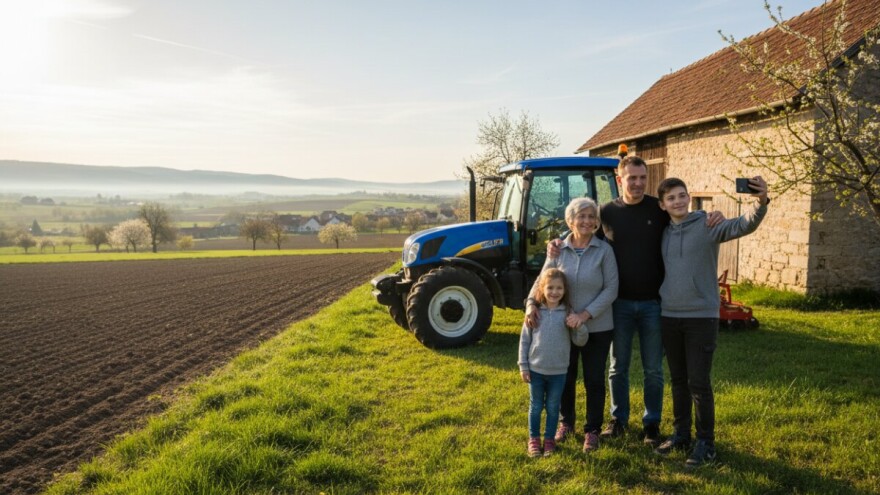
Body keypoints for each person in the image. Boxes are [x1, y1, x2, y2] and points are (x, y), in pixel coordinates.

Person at [547, 155, 724, 447]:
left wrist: (711, 215)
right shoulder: (606, 213)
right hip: (619, 304)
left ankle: (651, 424)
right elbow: (583, 229)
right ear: (620, 180)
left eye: (643, 177)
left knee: (653, 368)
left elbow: (685, 217)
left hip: (656, 304)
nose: (638, 183)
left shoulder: (659, 208)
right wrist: (559, 240)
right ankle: (618, 420)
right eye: (632, 178)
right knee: (618, 366)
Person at [653, 176, 769, 467]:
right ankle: (681, 435)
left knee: (699, 383)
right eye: (671, 198)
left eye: (682, 195)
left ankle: (706, 443)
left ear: (689, 197)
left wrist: (761, 201)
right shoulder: (662, 232)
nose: (678, 201)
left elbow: (744, 224)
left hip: (701, 317)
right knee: (678, 381)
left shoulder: (709, 226)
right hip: (669, 316)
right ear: (662, 205)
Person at [525, 197, 618, 453]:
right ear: (570, 221)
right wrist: (531, 303)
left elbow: (611, 289)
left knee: (594, 380)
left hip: (597, 326)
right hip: (561, 328)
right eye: (581, 217)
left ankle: (592, 430)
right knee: (564, 377)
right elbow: (543, 280)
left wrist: (584, 315)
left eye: (591, 217)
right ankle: (566, 423)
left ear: (597, 222)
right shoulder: (557, 250)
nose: (587, 221)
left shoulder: (604, 250)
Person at [518, 268, 588, 457]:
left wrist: (579, 325)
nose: (554, 292)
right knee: (536, 406)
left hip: (558, 372)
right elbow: (524, 341)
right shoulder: (534, 313)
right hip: (536, 370)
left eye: (559, 288)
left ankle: (549, 440)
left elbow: (579, 340)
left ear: (564, 290)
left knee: (552, 407)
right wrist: (523, 366)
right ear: (541, 288)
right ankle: (534, 440)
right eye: (550, 287)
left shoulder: (567, 313)